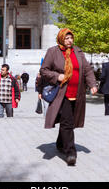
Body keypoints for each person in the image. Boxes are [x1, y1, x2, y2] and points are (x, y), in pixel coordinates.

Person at [40, 28, 97, 166]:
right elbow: (44, 70)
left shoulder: (77, 52)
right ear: (61, 38)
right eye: (66, 38)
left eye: (71, 38)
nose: (70, 41)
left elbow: (87, 69)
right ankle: (70, 152)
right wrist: (57, 76)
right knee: (67, 122)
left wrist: (92, 84)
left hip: (77, 93)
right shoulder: (53, 52)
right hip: (62, 93)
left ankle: (60, 143)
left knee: (68, 122)